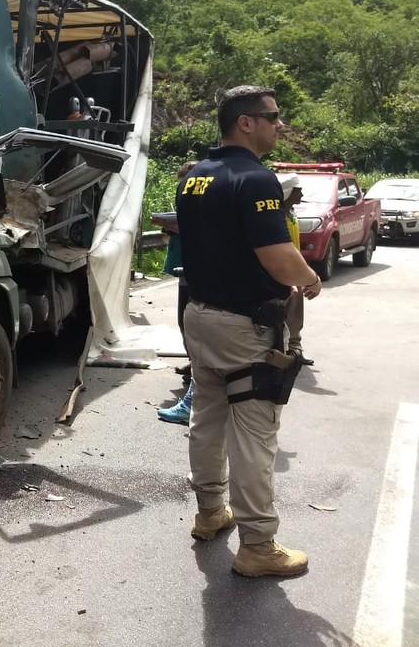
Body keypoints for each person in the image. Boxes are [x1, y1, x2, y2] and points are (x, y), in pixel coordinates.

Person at [176, 86, 322, 578]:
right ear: (245, 122)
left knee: (207, 417)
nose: (280, 125)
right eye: (273, 117)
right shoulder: (257, 179)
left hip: (198, 316)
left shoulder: (195, 176)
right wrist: (309, 277)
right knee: (256, 434)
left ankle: (211, 512)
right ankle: (258, 544)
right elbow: (278, 257)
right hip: (244, 326)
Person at [151, 160, 198, 425]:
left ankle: (197, 372)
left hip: (194, 267)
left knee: (189, 320)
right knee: (184, 320)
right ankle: (194, 366)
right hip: (185, 266)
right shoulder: (188, 194)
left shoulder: (201, 197)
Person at [277, 173, 313, 365]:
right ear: (288, 192)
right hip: (283, 271)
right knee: (281, 313)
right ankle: (283, 349)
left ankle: (295, 347)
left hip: (295, 270)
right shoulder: (277, 215)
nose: (301, 194)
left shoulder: (290, 213)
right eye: (298, 191)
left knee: (296, 313)